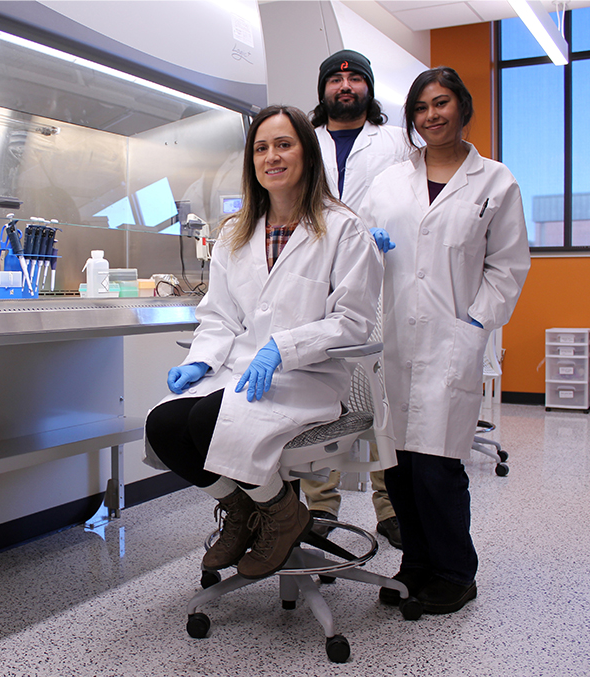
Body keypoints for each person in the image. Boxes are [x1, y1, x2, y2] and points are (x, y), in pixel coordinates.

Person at [144, 105, 383, 581]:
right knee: (165, 423)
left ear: (306, 154)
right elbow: (219, 315)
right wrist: (201, 360)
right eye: (261, 148)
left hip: (305, 378)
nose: (271, 157)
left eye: (283, 144)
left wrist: (285, 348)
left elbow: (354, 321)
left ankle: (279, 511)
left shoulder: (343, 228)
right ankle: (243, 510)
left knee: (207, 420)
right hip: (241, 371)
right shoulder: (236, 231)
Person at [362, 67, 531, 614]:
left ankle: (456, 573)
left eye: (442, 103)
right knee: (399, 465)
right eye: (421, 108)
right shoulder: (389, 180)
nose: (432, 115)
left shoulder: (495, 182)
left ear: (462, 107)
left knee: (438, 466)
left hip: (450, 338)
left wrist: (478, 323)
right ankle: (415, 565)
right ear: (411, 118)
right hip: (390, 341)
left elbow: (507, 268)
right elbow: (354, 244)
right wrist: (367, 243)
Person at [303, 49, 412, 548]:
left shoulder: (394, 141)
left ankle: (389, 506)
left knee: (380, 396)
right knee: (318, 394)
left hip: (377, 279)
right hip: (314, 282)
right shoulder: (308, 142)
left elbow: (413, 198)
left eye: (354, 78)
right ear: (323, 90)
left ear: (368, 88)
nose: (344, 85)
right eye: (335, 78)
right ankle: (320, 505)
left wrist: (390, 233)